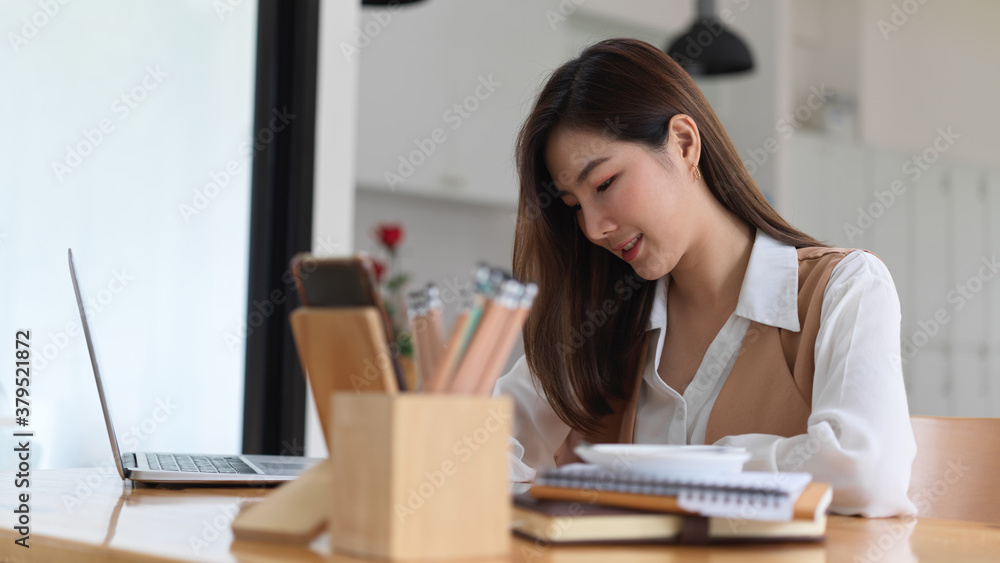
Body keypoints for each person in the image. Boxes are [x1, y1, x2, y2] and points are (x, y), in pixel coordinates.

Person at [493, 38, 916, 517]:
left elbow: (868, 471)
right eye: (574, 206)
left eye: (605, 184)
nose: (592, 228)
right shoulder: (598, 318)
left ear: (684, 144)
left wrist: (695, 467)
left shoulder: (843, 289)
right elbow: (480, 450)